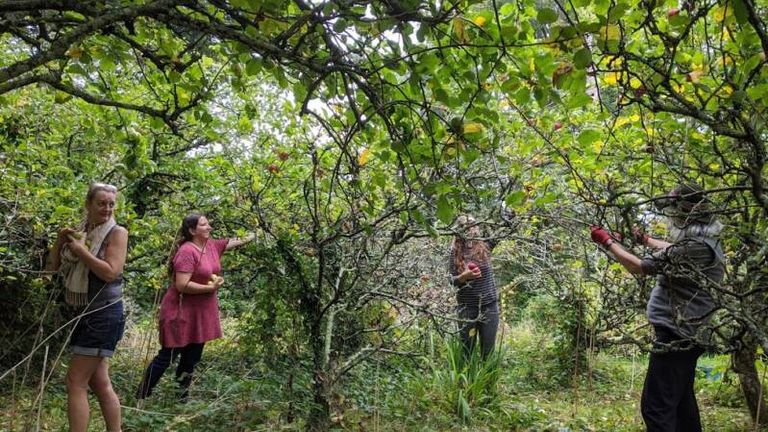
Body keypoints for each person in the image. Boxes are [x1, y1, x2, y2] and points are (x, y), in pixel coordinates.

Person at [589, 183, 725, 432]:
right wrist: (646, 239)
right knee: (682, 405)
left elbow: (638, 267)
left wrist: (606, 242)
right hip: (687, 333)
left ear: (685, 211)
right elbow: (673, 250)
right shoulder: (705, 241)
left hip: (678, 333)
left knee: (656, 407)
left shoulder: (694, 246)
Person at [136, 213, 254, 400]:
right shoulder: (187, 251)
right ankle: (141, 396)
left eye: (208, 224)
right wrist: (210, 287)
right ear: (192, 230)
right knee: (168, 355)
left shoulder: (211, 246)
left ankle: (181, 400)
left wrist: (256, 233)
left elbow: (234, 241)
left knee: (191, 359)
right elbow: (182, 285)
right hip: (180, 312)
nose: (209, 227)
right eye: (204, 225)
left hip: (200, 314)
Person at [47, 183, 128, 432]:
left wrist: (82, 251)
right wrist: (61, 241)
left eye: (111, 204)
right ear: (88, 204)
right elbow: (50, 270)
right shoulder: (82, 231)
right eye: (101, 203)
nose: (107, 208)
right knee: (99, 381)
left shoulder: (117, 232)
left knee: (74, 381)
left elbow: (111, 272)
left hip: (104, 313)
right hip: (84, 312)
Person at [448, 214, 500, 358]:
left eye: (473, 224)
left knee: (488, 353)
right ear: (460, 230)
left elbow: (502, 229)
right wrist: (464, 277)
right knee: (467, 353)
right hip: (466, 308)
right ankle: (468, 380)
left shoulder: (485, 245)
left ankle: (487, 380)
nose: (472, 229)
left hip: (489, 306)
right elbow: (452, 280)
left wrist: (514, 210)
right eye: (467, 226)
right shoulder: (455, 252)